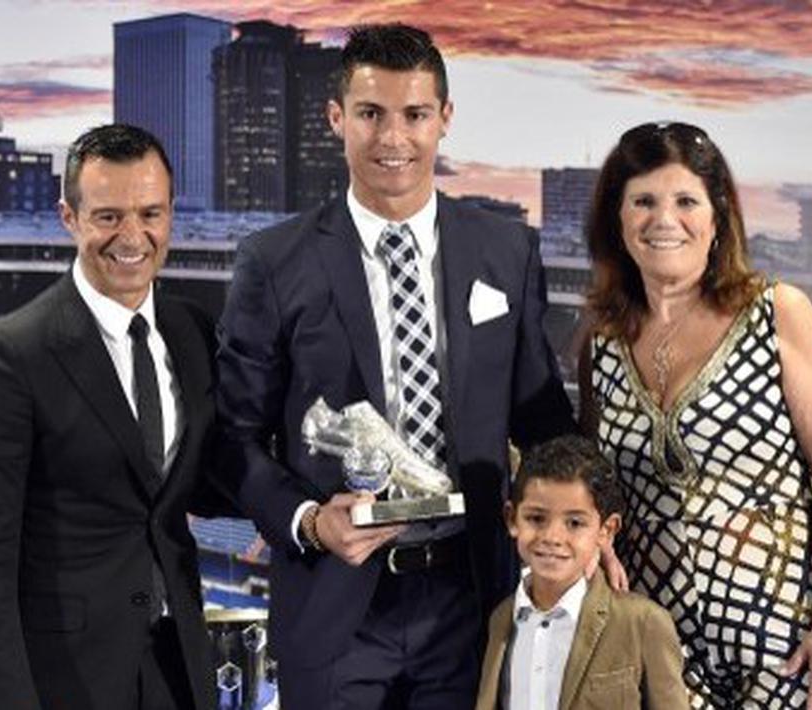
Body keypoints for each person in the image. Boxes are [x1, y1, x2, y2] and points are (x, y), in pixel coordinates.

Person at [214, 23, 576, 709]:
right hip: (334, 602)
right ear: (335, 120)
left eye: (413, 115)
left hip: (470, 601)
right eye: (369, 114)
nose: (392, 139)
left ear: (443, 118)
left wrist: (585, 513)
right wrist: (310, 520)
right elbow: (231, 440)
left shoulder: (506, 251)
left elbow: (541, 419)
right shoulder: (273, 261)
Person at [578, 122, 812, 710]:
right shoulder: (603, 343)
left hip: (793, 649)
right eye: (643, 201)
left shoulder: (777, 313)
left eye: (686, 200)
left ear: (718, 218)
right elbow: (596, 482)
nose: (665, 219)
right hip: (661, 654)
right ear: (618, 219)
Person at [0, 124, 224, 710]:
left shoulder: (190, 331)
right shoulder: (8, 355)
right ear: (69, 217)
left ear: (172, 212)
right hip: (68, 680)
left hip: (179, 670)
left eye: (150, 212)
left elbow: (208, 480)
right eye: (108, 216)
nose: (133, 236)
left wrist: (312, 504)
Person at [475, 435, 689, 710]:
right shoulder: (502, 619)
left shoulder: (642, 622)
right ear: (512, 519)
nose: (552, 536)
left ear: (606, 530)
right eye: (536, 518)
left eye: (574, 523)